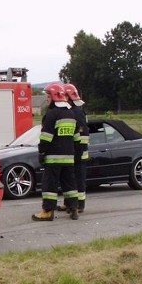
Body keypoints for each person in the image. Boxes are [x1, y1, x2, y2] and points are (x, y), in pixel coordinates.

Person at [32, 83, 80, 221]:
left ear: (54, 97)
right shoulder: (71, 113)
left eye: (48, 96)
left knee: (49, 185)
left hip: (53, 158)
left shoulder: (52, 114)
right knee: (70, 184)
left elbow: (46, 137)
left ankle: (47, 211)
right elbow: (76, 136)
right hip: (69, 158)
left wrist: (41, 152)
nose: (47, 99)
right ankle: (73, 208)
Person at [58, 83, 89, 214]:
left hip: (79, 153)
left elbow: (83, 134)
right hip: (73, 151)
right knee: (69, 179)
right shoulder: (73, 110)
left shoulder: (77, 112)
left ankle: (80, 205)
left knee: (78, 179)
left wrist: (78, 151)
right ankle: (69, 203)